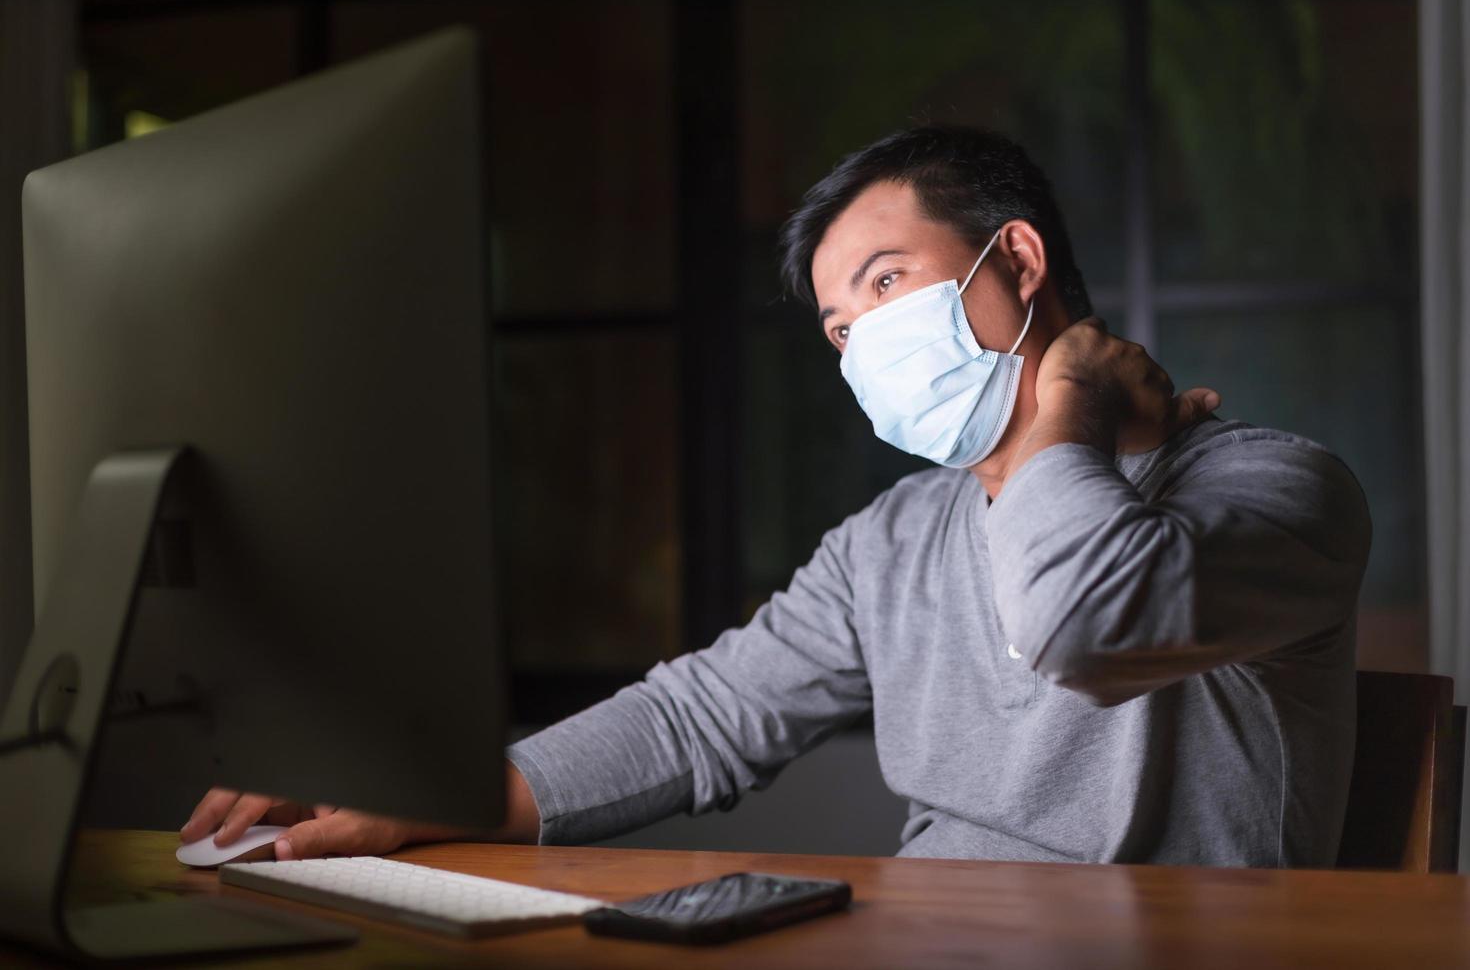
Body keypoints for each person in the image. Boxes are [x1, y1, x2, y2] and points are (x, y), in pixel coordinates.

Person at [182, 126, 1370, 867]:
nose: (860, 349)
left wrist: (1072, 405)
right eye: (840, 330)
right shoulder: (889, 540)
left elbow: (1085, 622)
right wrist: (425, 796)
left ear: (1015, 261)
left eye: (886, 284)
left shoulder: (1277, 488)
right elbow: (700, 716)